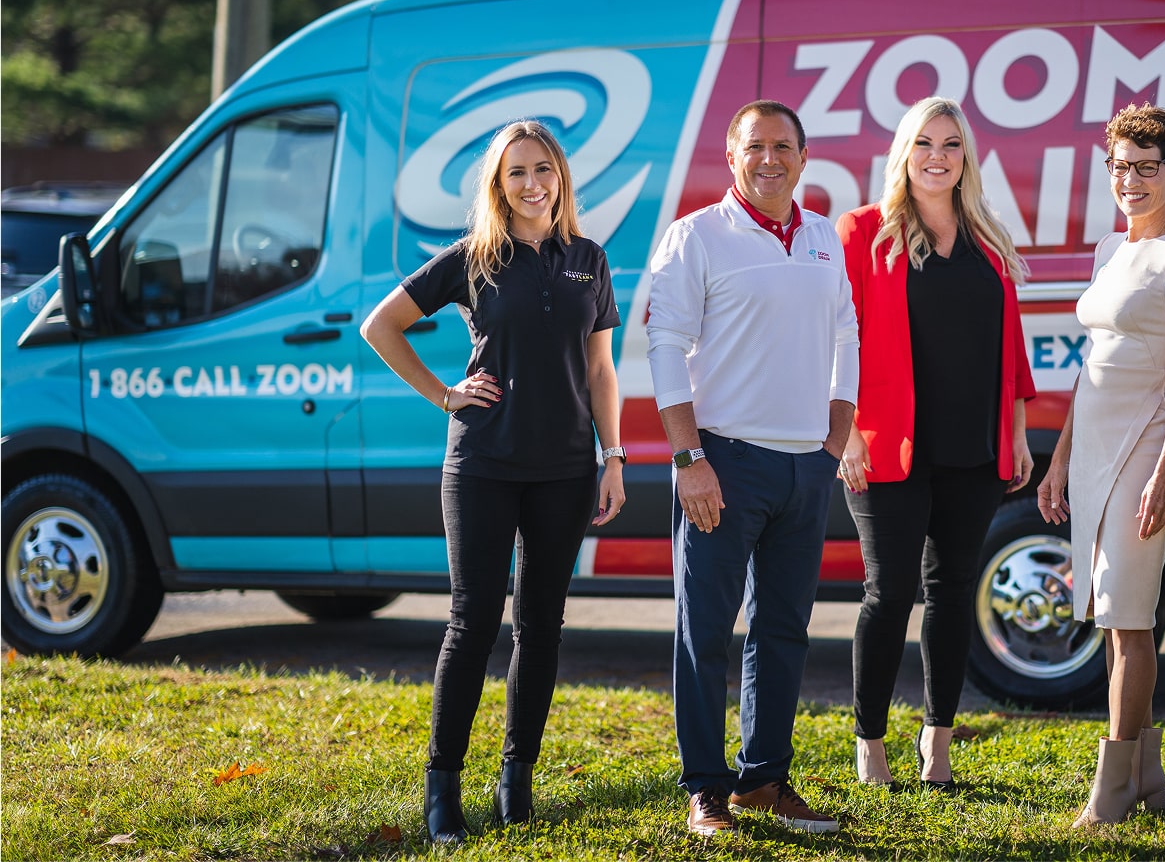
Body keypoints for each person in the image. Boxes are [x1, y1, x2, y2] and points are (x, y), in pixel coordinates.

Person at [361, 120, 625, 844]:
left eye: (544, 169)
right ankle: (442, 790)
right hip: (481, 463)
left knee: (540, 627)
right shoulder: (472, 258)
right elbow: (380, 326)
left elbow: (601, 370)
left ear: (560, 177)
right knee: (472, 622)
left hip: (567, 469)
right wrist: (445, 394)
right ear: (498, 184)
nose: (533, 182)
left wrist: (614, 456)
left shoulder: (587, 259)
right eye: (517, 172)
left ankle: (517, 780)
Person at [646, 99, 858, 837]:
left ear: (803, 157)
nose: (769, 160)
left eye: (782, 147)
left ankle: (764, 779)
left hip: (805, 468)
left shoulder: (824, 235)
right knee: (703, 632)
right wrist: (688, 458)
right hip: (723, 462)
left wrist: (837, 432)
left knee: (783, 631)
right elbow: (665, 348)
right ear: (730, 157)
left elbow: (845, 336)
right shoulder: (697, 236)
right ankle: (706, 788)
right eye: (754, 147)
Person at [835, 96, 1036, 790]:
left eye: (950, 145)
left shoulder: (987, 237)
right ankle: (869, 741)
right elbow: (837, 338)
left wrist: (1013, 430)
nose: (937, 157)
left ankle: (938, 739)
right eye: (924, 143)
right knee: (888, 595)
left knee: (951, 595)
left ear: (966, 158)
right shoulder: (864, 231)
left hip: (973, 448)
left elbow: (1009, 345)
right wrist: (848, 434)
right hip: (886, 445)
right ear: (903, 153)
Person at [1035, 103, 1165, 826]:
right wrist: (1058, 461)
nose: (1131, 180)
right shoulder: (1110, 249)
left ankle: (1110, 788)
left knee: (1131, 618)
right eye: (1119, 166)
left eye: (1146, 167)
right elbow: (1090, 369)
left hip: (1145, 449)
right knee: (1111, 619)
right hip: (1093, 452)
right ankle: (1144, 777)